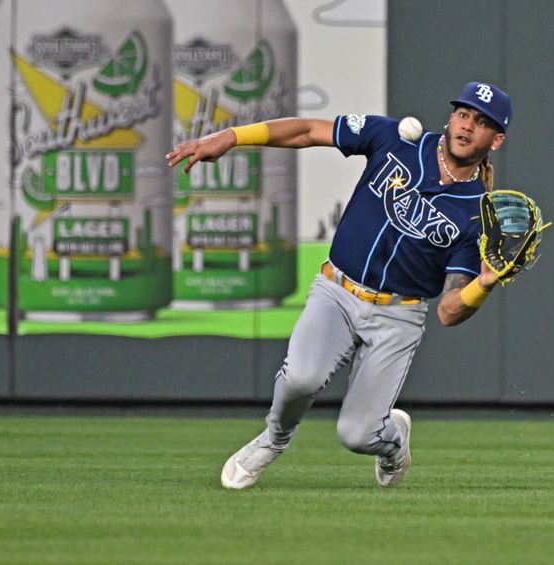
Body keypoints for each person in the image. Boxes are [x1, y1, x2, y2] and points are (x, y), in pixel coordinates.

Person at [165, 81, 513, 489]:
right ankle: (272, 440)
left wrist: (484, 285)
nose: (468, 126)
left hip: (398, 315)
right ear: (451, 116)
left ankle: (393, 444)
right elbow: (309, 130)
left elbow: (449, 310)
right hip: (338, 290)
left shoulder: (477, 214)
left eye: (483, 122)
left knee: (358, 434)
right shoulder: (396, 139)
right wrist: (233, 136)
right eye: (464, 113)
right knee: (300, 379)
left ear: (497, 139)